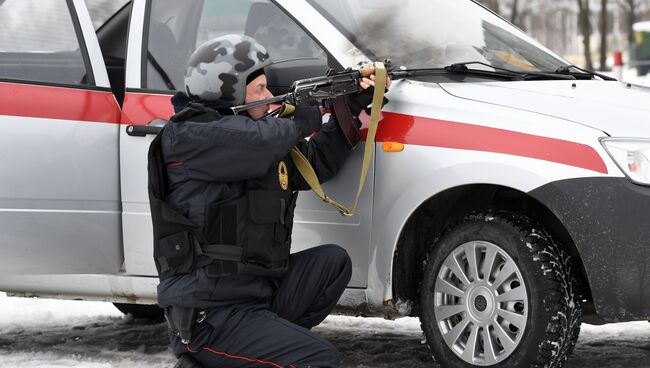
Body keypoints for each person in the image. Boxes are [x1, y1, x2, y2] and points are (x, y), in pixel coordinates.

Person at [147, 34, 389, 368]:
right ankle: (208, 359)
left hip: (255, 296)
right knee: (319, 360)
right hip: (210, 316)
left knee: (332, 264)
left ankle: (258, 351)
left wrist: (351, 104)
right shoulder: (188, 137)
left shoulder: (256, 141)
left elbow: (317, 162)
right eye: (259, 89)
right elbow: (255, 141)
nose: (269, 96)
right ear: (226, 92)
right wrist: (303, 117)